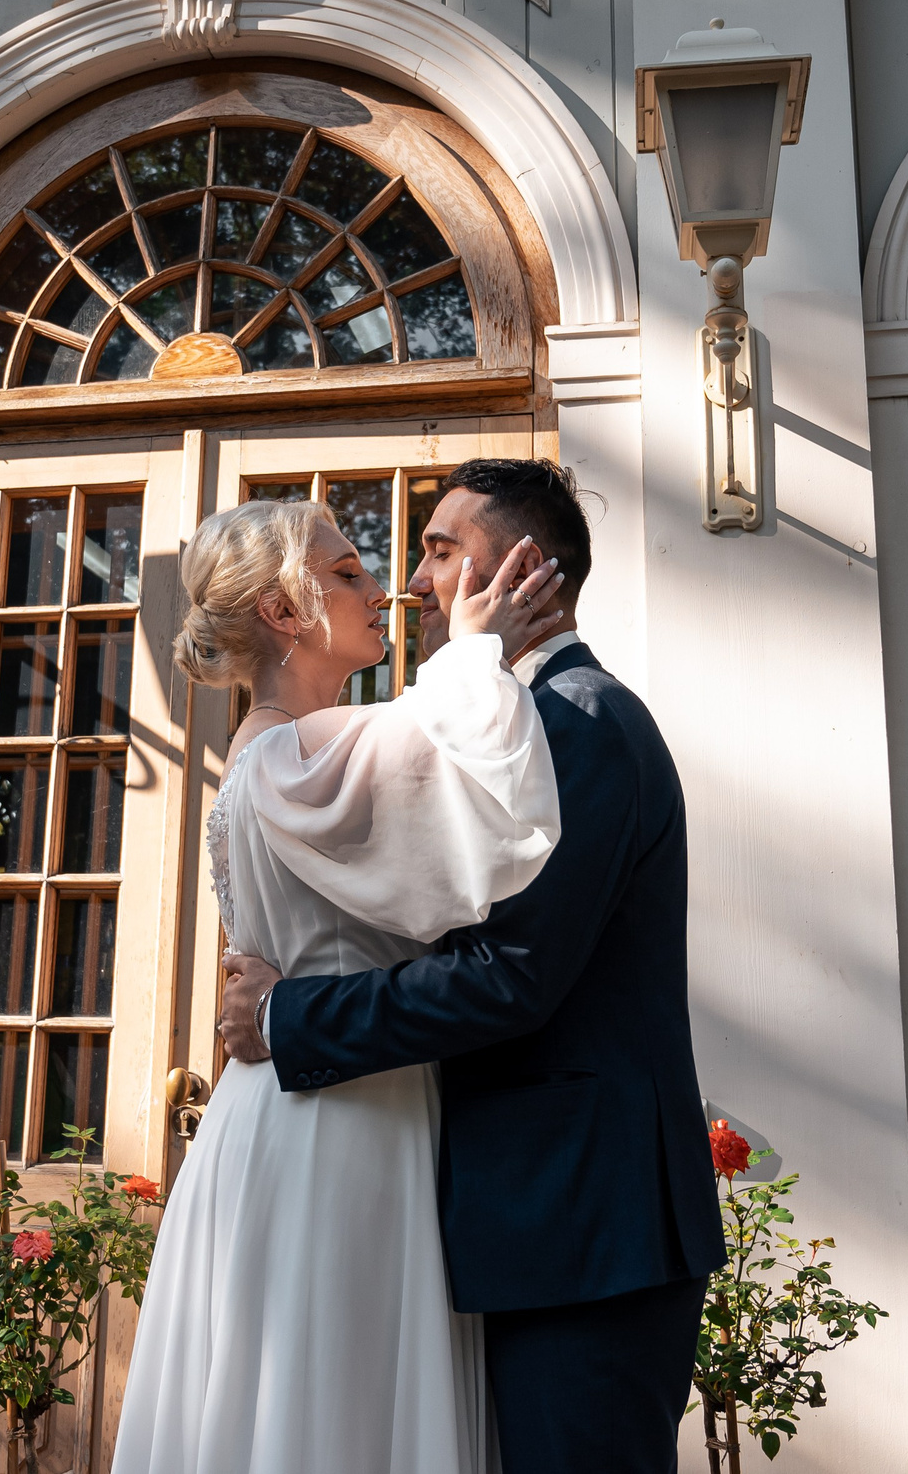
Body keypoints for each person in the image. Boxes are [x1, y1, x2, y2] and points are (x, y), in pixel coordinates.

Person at [220, 458, 722, 1474]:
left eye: (440, 550)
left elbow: (511, 974)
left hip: (582, 1230)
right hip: (517, 1221)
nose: (411, 583)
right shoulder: (508, 724)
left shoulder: (575, 721)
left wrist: (289, 1017)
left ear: (525, 566)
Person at [110, 493, 570, 1474]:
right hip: (328, 1121)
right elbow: (444, 746)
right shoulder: (291, 751)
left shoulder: (312, 748)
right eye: (347, 571)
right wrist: (477, 645)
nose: (381, 590)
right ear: (282, 612)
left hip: (348, 1096)